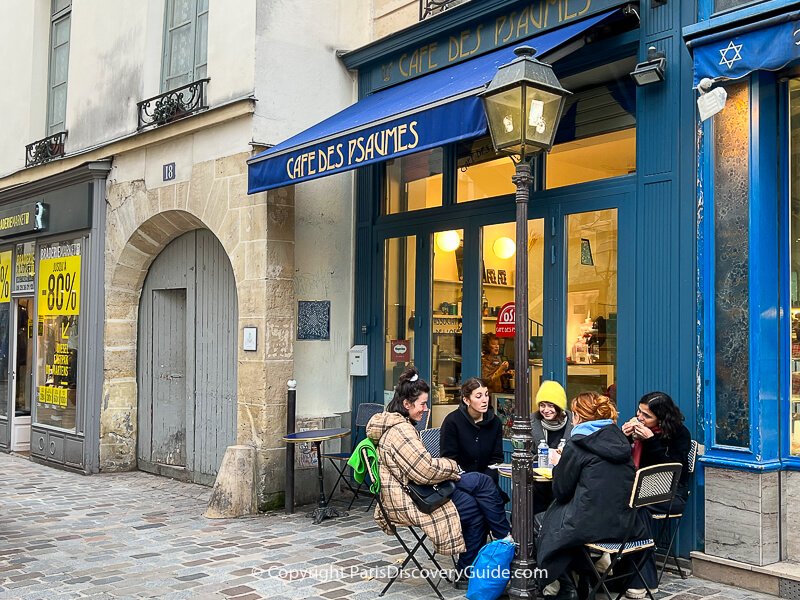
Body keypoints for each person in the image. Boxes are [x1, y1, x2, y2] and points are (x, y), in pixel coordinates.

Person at [367, 367, 511, 589]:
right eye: (423, 404)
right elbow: (424, 470)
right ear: (407, 404)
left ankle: (470, 570)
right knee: (480, 491)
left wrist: (444, 468)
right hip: (416, 497)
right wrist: (451, 466)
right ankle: (507, 544)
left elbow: (423, 468)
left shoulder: (400, 427)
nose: (426, 409)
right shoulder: (401, 431)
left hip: (423, 490)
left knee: (478, 501)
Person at [536, 391, 646, 600]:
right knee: (563, 522)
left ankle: (566, 586)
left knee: (539, 521)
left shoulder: (577, 444)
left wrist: (560, 465)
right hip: (623, 524)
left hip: (588, 525)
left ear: (578, 416)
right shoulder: (621, 441)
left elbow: (561, 491)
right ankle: (588, 573)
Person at [619, 391, 692, 599]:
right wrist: (623, 437)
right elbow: (622, 461)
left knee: (637, 508)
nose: (640, 418)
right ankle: (637, 577)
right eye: (639, 412)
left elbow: (672, 470)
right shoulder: (638, 430)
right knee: (629, 506)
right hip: (636, 491)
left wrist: (650, 441)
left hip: (671, 495)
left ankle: (635, 577)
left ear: (662, 417)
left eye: (646, 416)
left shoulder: (679, 434)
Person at [440, 377, 504, 487]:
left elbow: (496, 459)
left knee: (493, 502)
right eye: (478, 396)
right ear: (466, 400)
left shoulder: (495, 422)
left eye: (486, 394)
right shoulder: (452, 422)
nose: (485, 400)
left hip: (488, 483)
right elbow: (449, 459)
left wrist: (485, 482)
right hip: (460, 482)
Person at [532, 380, 574, 449]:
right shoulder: (531, 423)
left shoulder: (573, 422)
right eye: (542, 405)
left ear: (559, 407)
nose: (546, 410)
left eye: (550, 406)